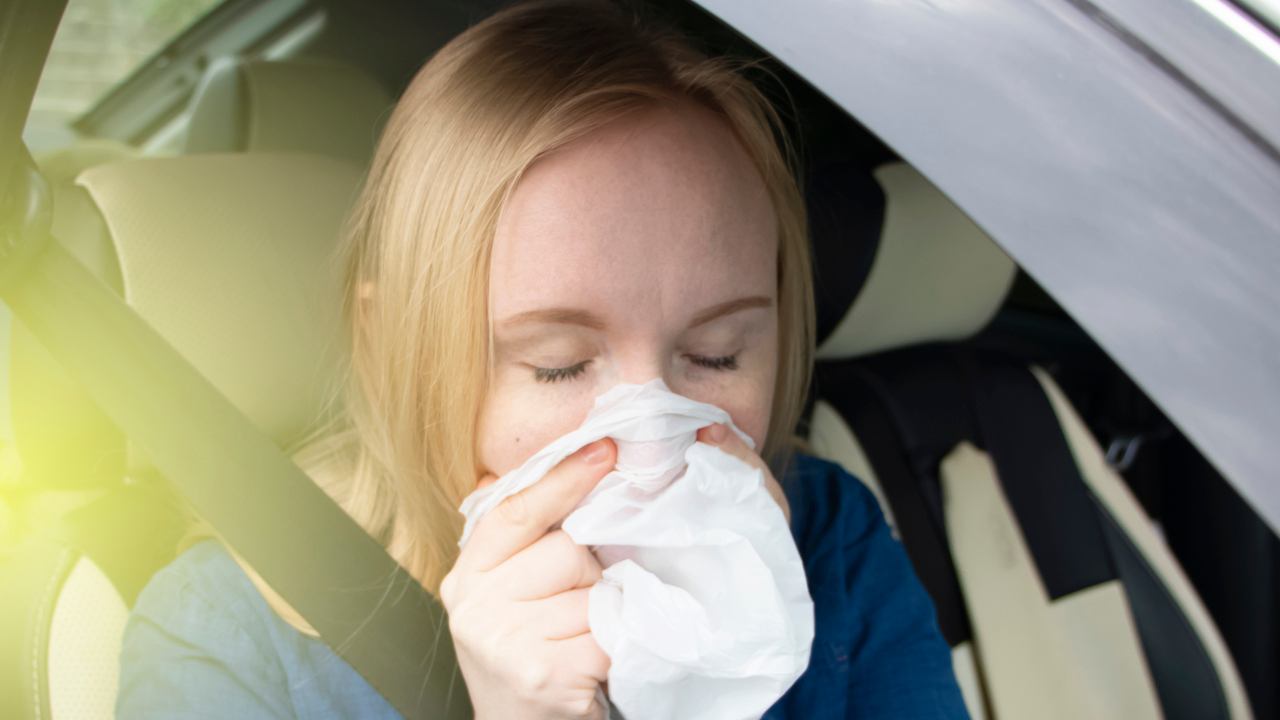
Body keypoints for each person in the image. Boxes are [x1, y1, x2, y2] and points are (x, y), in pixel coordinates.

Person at [116, 1, 968, 717]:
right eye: (558, 365)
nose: (651, 445)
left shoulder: (831, 543)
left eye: (715, 353)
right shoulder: (222, 641)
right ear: (392, 352)